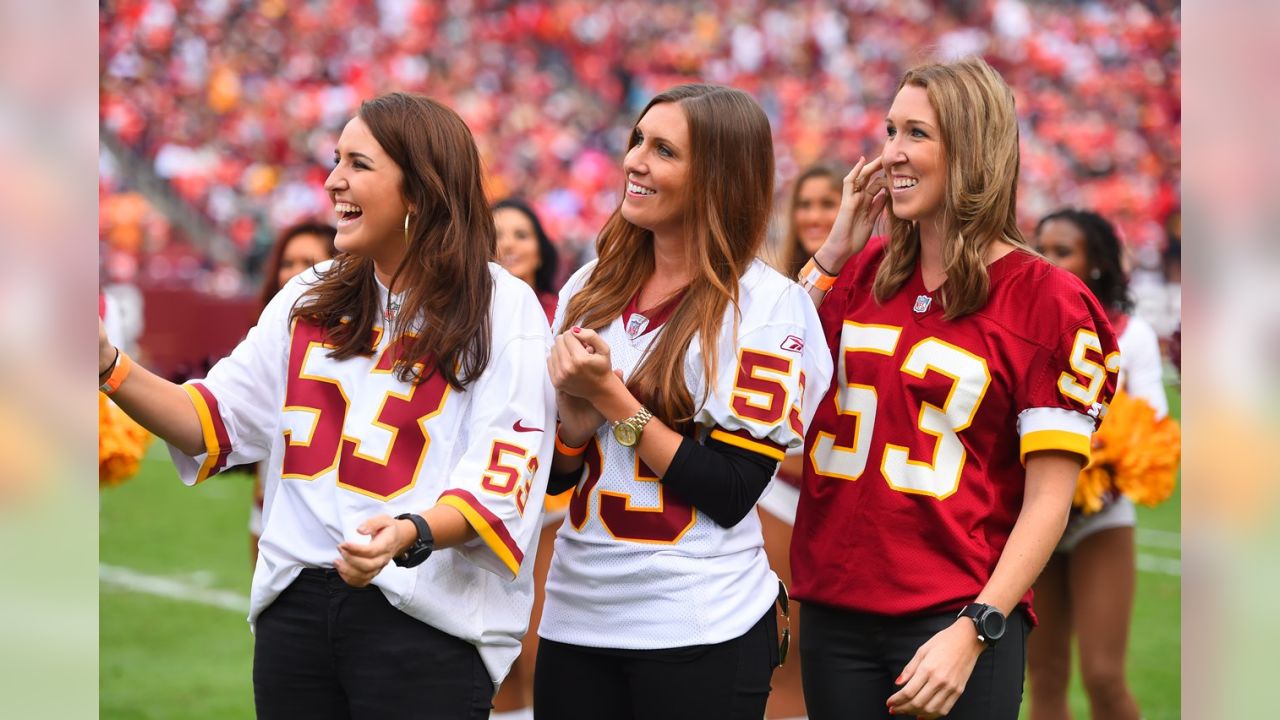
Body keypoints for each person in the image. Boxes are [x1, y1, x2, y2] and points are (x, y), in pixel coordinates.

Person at [97, 92, 555, 720]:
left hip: (424, 615)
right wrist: (107, 365)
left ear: (419, 190)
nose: (333, 180)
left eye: (358, 164)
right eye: (336, 160)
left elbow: (506, 473)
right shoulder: (309, 295)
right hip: (298, 612)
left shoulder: (503, 308)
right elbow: (210, 420)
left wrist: (409, 532)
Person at [792, 57, 1120, 720]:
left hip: (953, 616)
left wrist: (976, 629)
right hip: (833, 605)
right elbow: (762, 369)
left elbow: (1048, 502)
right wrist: (831, 253)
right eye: (889, 131)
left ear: (971, 149)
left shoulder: (1049, 301)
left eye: (916, 133)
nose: (890, 154)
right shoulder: (856, 272)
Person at [533, 84, 832, 720]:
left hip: (699, 622)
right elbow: (560, 477)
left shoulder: (766, 305)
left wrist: (612, 399)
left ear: (718, 177)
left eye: (663, 150)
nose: (635, 161)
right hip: (577, 613)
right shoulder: (590, 284)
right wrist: (574, 427)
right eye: (637, 140)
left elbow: (730, 489)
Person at [1027, 208, 1168, 720]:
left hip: (1101, 517)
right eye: (1040, 246)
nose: (1047, 259)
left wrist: (1098, 459)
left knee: (1104, 677)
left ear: (1098, 265)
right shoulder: (1021, 325)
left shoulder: (1133, 336)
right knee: (1044, 678)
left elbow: (1154, 427)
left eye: (1063, 251)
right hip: (1032, 519)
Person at [759, 163, 843, 720]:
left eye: (827, 203)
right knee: (779, 644)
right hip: (776, 485)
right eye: (805, 204)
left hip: (842, 487)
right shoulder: (773, 287)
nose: (814, 215)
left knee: (826, 645)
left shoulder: (874, 283)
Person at [488, 198, 562, 720]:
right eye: (497, 233)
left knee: (535, 644)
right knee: (485, 643)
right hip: (474, 496)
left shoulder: (565, 312)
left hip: (549, 499)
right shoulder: (460, 310)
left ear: (540, 247)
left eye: (521, 233)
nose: (508, 243)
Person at [247, 221, 339, 566]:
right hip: (272, 494)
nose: (296, 275)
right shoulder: (269, 335)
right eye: (288, 263)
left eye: (310, 263)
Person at [494, 198, 560, 323]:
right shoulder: (464, 319)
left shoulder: (563, 315)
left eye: (521, 235)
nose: (508, 244)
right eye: (496, 236)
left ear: (540, 252)